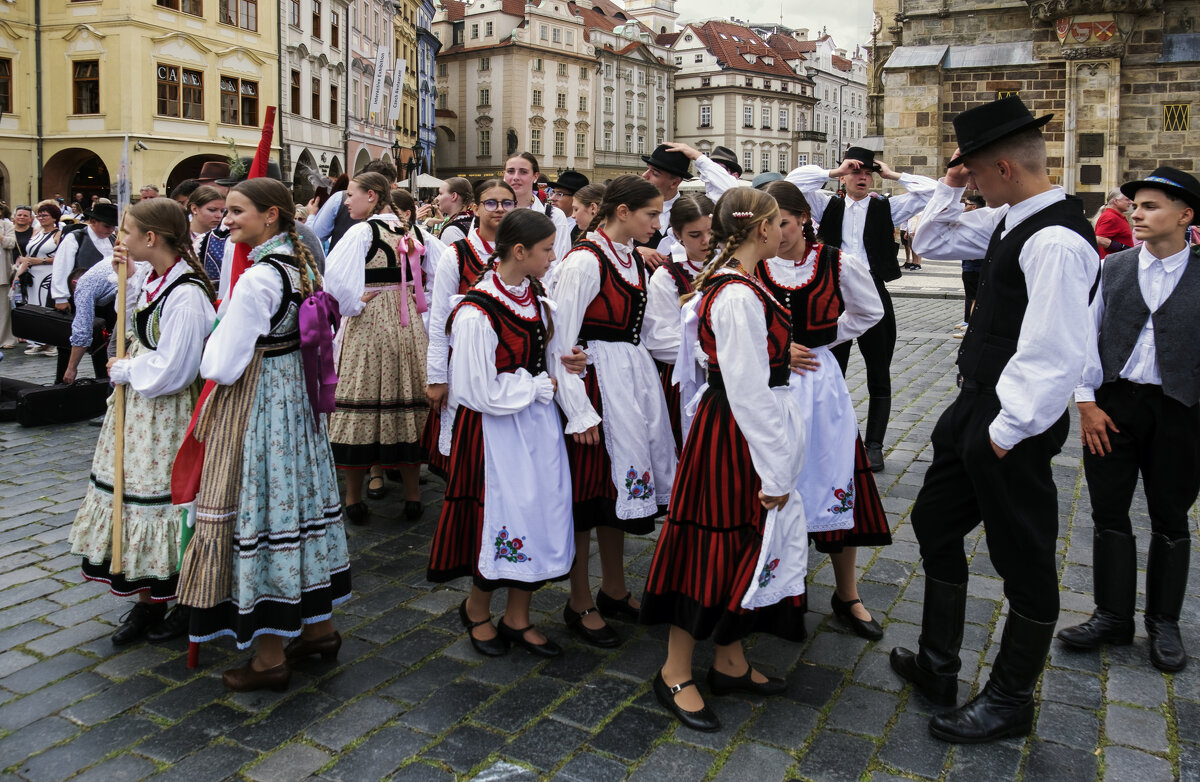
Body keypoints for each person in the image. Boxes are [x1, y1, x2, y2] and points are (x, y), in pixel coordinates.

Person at [890, 96, 1099, 743]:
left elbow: (1055, 351)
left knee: (1026, 560)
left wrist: (1004, 434)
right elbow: (930, 240)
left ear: (1003, 169)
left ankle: (1011, 700)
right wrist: (950, 190)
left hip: (1010, 421)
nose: (969, 183)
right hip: (974, 403)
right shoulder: (1013, 219)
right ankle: (939, 665)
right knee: (933, 520)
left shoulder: (1057, 239)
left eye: (973, 173)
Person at [640, 187, 806, 732]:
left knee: (743, 541)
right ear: (762, 229)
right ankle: (675, 669)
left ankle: (730, 660)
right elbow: (747, 389)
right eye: (780, 222)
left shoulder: (740, 281)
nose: (787, 231)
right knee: (709, 542)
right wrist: (776, 468)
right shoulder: (736, 294)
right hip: (734, 431)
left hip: (738, 426)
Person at [180, 177, 350, 693]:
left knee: (263, 507)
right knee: (297, 504)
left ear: (271, 215)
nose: (227, 220)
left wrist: (214, 336)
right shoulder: (302, 264)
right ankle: (319, 630)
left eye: (236, 212)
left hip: (259, 404)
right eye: (225, 211)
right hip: (295, 401)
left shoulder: (257, 278)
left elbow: (223, 361)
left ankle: (270, 655)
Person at [1059, 167, 1200, 673]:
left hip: (1180, 410)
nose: (1137, 214)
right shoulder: (1114, 268)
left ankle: (1163, 621)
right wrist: (1087, 403)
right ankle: (1112, 615)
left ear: (1185, 216)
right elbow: (1085, 336)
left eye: (1151, 207)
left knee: (1170, 516)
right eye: (1135, 206)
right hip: (1113, 408)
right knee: (1109, 512)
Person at [68, 197, 216, 645]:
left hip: (165, 414)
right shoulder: (154, 278)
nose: (119, 239)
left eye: (126, 232)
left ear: (150, 238)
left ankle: (186, 599)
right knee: (133, 500)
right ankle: (147, 601)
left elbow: (176, 368)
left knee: (165, 503)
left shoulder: (187, 294)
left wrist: (126, 370)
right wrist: (129, 277)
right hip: (138, 415)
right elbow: (137, 321)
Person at [428, 209, 574, 658]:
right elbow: (477, 390)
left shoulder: (534, 294)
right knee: (501, 519)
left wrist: (565, 366)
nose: (553, 257)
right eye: (547, 250)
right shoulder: (476, 311)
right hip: (494, 432)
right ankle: (476, 608)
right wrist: (535, 385)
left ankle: (518, 616)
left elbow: (543, 354)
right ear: (519, 252)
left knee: (537, 514)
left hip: (534, 424)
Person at [753, 180, 891, 641]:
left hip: (818, 383)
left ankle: (846, 593)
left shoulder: (836, 261)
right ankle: (775, 587)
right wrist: (775, 348)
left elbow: (868, 312)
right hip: (769, 385)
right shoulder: (753, 265)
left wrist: (819, 340)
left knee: (834, 478)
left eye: (783, 223)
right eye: (769, 224)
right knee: (771, 483)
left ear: (803, 219)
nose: (776, 233)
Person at [552, 175, 676, 648]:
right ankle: (579, 600)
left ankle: (614, 587)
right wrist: (579, 411)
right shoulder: (586, 261)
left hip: (630, 379)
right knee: (589, 498)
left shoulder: (629, 258)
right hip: (597, 384)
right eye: (652, 214)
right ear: (621, 212)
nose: (657, 224)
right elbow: (561, 343)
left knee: (613, 496)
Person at [787, 147, 938, 472]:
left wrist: (894, 175)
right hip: (831, 294)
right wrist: (833, 171)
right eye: (856, 171)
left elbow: (934, 191)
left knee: (879, 371)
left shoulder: (888, 207)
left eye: (867, 172)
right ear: (845, 176)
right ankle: (831, 439)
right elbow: (793, 184)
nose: (862, 177)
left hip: (873, 292)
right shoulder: (827, 203)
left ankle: (873, 446)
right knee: (831, 370)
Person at [324, 172, 430, 524]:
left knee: (359, 400)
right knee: (407, 399)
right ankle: (413, 495)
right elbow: (442, 265)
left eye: (350, 195)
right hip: (407, 326)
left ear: (372, 195)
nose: (346, 201)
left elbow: (333, 279)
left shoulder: (362, 232)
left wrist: (353, 303)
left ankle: (353, 496)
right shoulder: (412, 231)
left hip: (370, 324)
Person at [424, 180, 516, 481]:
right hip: (463, 364)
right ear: (474, 208)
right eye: (491, 202)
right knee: (469, 453)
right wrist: (437, 377)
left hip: (510, 367)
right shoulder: (458, 254)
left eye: (507, 203)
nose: (499, 209)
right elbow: (439, 319)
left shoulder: (518, 251)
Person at [640, 193, 714, 450]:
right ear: (677, 234)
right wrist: (704, 354)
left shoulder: (728, 266)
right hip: (685, 378)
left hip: (728, 375)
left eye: (710, 232)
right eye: (695, 235)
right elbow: (658, 338)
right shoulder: (667, 276)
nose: (706, 241)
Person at [310, 160, 398, 251]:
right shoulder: (399, 211)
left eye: (350, 195)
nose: (347, 202)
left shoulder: (340, 199)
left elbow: (314, 237)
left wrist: (311, 215)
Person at [503, 153, 575, 262]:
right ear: (504, 175)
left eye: (523, 172)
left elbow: (558, 265)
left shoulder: (555, 216)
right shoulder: (491, 213)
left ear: (535, 176)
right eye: (510, 171)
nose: (516, 177)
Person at [58, 259, 118, 385]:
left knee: (114, 353)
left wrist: (71, 369)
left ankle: (116, 397)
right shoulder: (101, 269)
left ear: (75, 283)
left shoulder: (83, 284)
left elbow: (82, 330)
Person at [51, 202, 117, 311]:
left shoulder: (113, 240)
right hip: (79, 299)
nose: (111, 230)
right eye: (107, 226)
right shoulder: (75, 238)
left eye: (113, 226)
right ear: (93, 222)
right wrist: (61, 298)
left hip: (106, 301)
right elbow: (61, 267)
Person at [956, 195, 986, 334]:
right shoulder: (969, 221)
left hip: (975, 265)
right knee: (971, 296)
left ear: (974, 207)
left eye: (966, 204)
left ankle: (972, 328)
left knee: (976, 298)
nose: (964, 206)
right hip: (969, 265)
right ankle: (968, 321)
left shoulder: (979, 222)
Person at [548, 170, 589, 244]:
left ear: (575, 198)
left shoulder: (581, 228)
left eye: (559, 194)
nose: (552, 198)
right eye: (553, 192)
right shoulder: (547, 219)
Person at [1092, 187, 1135, 260]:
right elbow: (1099, 239)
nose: (1130, 202)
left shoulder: (1115, 216)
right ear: (1116, 201)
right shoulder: (1110, 217)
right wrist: (1124, 248)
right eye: (1127, 199)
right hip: (1115, 265)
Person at [186, 186, 226, 260]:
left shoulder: (224, 237)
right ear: (194, 209)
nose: (219, 216)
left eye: (222, 211)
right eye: (212, 210)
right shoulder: (178, 235)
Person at [434, 177, 475, 244]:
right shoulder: (471, 219)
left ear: (453, 196)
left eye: (440, 193)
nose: (437, 198)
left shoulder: (452, 230)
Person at [0, 205, 15, 348]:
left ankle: (5, 339)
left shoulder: (7, 225)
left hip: (2, 272)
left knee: (3, 308)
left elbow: (11, 243)